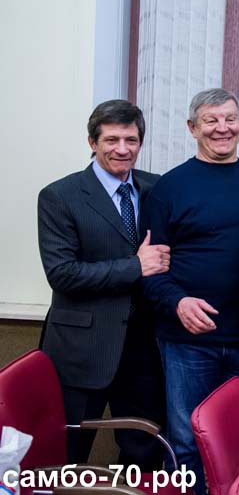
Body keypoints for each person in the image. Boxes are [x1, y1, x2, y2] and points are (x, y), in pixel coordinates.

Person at [141, 88, 239, 493]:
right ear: (192, 127)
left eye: (230, 119)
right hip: (187, 342)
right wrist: (178, 302)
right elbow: (149, 270)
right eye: (211, 120)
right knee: (186, 441)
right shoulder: (168, 189)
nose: (222, 128)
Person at [37, 100, 168, 468]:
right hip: (82, 349)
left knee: (144, 453)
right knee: (65, 455)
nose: (122, 149)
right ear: (92, 142)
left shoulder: (157, 188)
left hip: (143, 348)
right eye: (111, 140)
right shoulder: (59, 196)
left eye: (131, 140)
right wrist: (136, 266)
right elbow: (63, 274)